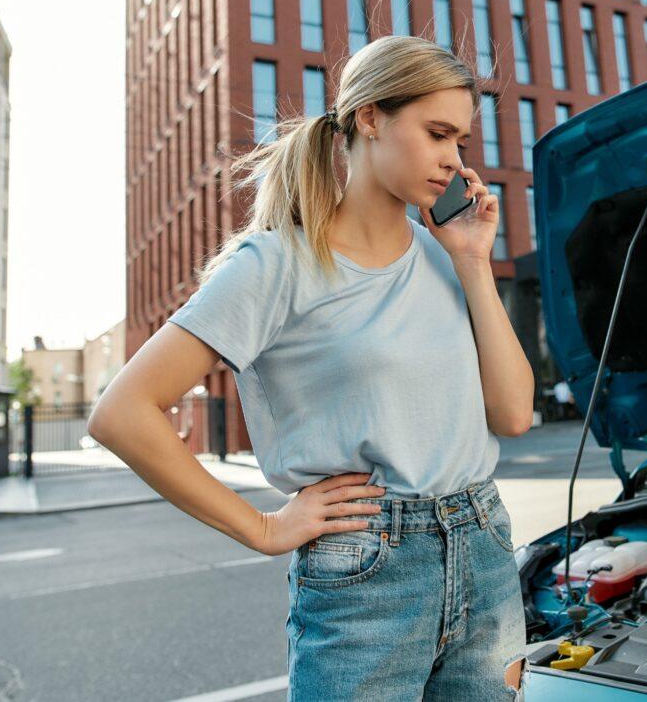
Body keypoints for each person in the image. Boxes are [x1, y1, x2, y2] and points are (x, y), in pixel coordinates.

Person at [87, 35, 534, 700]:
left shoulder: (445, 255)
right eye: (438, 133)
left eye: (461, 142)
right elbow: (121, 413)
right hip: (369, 572)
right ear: (369, 117)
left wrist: (472, 260)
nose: (453, 160)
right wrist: (263, 527)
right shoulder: (272, 265)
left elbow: (514, 415)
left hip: (487, 547)